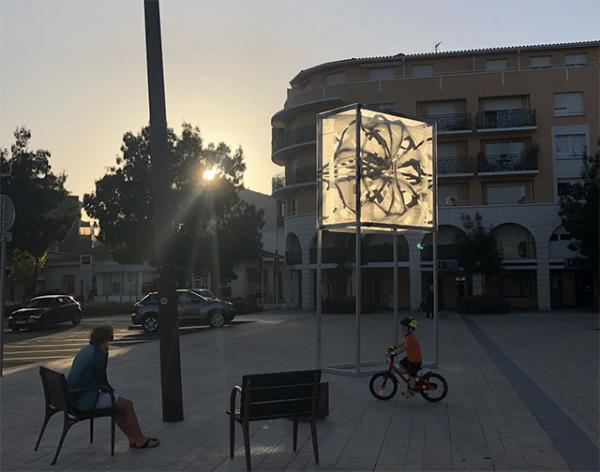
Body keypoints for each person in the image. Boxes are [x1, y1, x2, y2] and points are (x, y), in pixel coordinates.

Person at [66, 325, 159, 449]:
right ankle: (140, 440)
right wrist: (111, 391)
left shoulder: (86, 350)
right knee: (127, 405)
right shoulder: (98, 356)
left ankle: (133, 438)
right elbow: (102, 382)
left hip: (72, 397)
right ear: (105, 340)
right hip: (84, 400)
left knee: (117, 407)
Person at [389, 317, 423, 396]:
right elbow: (403, 343)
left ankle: (412, 390)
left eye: (404, 328)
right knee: (401, 364)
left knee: (412, 374)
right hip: (410, 358)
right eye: (402, 328)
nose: (403, 329)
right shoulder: (408, 336)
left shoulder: (411, 338)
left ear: (410, 329)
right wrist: (394, 347)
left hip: (415, 360)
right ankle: (411, 378)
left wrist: (394, 353)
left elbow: (404, 348)